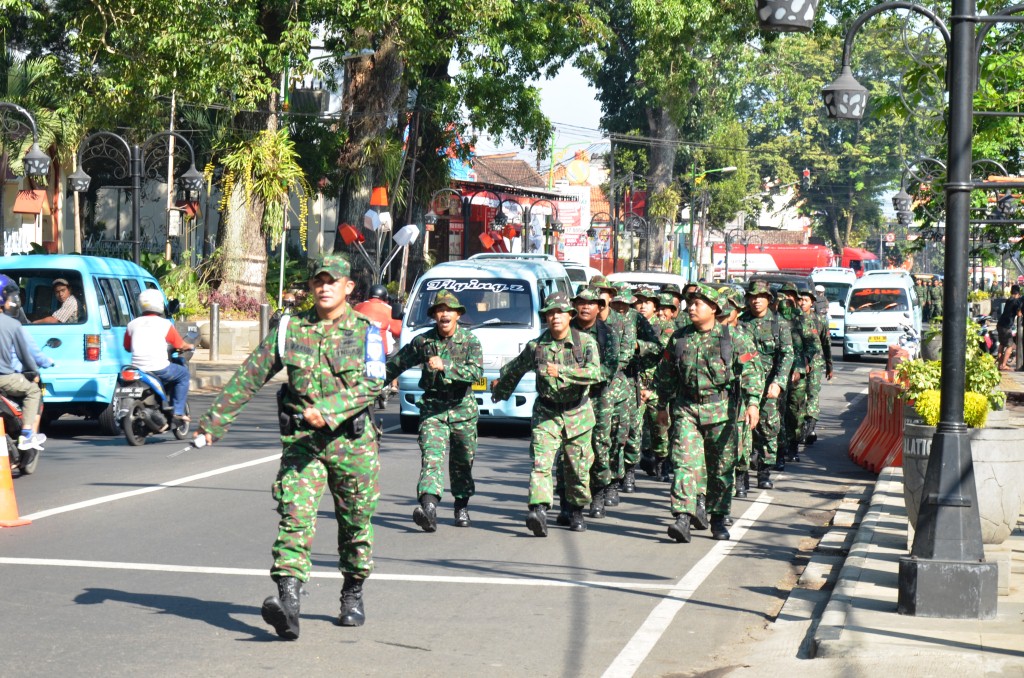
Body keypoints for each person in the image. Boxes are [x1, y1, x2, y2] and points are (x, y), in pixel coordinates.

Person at [196, 254, 385, 639]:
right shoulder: (290, 329)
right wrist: (215, 422)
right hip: (303, 444)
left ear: (349, 287)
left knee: (355, 526)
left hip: (353, 445)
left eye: (333, 281)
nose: (324, 287)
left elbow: (374, 384)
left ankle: (352, 592)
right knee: (294, 519)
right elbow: (250, 375)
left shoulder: (368, 331)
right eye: (319, 280)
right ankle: (289, 602)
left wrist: (330, 410)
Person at [654, 284, 763, 543]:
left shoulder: (733, 338)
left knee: (721, 469)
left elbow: (751, 371)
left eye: (698, 304)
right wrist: (661, 406)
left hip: (722, 413)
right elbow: (666, 374)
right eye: (690, 303)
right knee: (684, 464)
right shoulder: (680, 338)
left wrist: (753, 403)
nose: (691, 308)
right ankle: (682, 516)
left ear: (714, 308)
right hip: (687, 410)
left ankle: (717, 518)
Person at [490, 292, 601, 535]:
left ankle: (576, 509)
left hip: (577, 413)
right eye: (550, 313)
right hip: (547, 412)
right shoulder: (537, 346)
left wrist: (561, 371)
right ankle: (538, 510)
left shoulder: (585, 343)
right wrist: (500, 388)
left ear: (570, 316)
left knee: (577, 468)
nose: (554, 317)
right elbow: (515, 369)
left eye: (559, 312)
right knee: (541, 463)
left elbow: (595, 373)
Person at [384, 290, 483, 530]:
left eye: (449, 310)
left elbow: (477, 374)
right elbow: (397, 364)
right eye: (440, 310)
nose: (445, 314)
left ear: (458, 315)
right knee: (431, 458)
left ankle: (461, 506)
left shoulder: (470, 341)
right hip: (433, 410)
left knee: (462, 462)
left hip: (462, 409)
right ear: (434, 315)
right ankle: (428, 508)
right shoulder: (423, 342)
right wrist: (368, 383)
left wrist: (446, 365)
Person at [738, 280, 793, 491]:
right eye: (753, 296)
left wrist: (779, 382)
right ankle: (741, 474)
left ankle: (764, 471)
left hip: (769, 385)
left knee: (769, 428)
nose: (756, 301)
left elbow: (787, 355)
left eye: (761, 296)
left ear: (769, 300)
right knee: (743, 429)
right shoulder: (741, 324)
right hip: (745, 385)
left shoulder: (779, 324)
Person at [124, 289, 194, 427]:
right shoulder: (165, 324)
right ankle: (178, 412)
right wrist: (189, 346)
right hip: (160, 368)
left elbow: (126, 346)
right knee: (184, 374)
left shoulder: (132, 324)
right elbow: (179, 344)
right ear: (160, 304)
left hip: (137, 370)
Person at [0, 300, 44, 461]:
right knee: (34, 392)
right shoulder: (13, 326)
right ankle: (27, 434)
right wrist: (44, 364)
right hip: (8, 378)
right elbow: (29, 354)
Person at [354, 284, 402, 353]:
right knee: (397, 354)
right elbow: (398, 332)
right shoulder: (388, 309)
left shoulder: (357, 307)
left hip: (358, 349)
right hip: (381, 351)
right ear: (385, 297)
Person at [997, 284, 1022, 371]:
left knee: (1002, 344)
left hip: (1000, 324)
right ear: (1018, 293)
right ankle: (1003, 365)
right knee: (1010, 346)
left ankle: (1000, 364)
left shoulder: (1008, 300)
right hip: (1006, 326)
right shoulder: (1016, 302)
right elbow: (1019, 314)